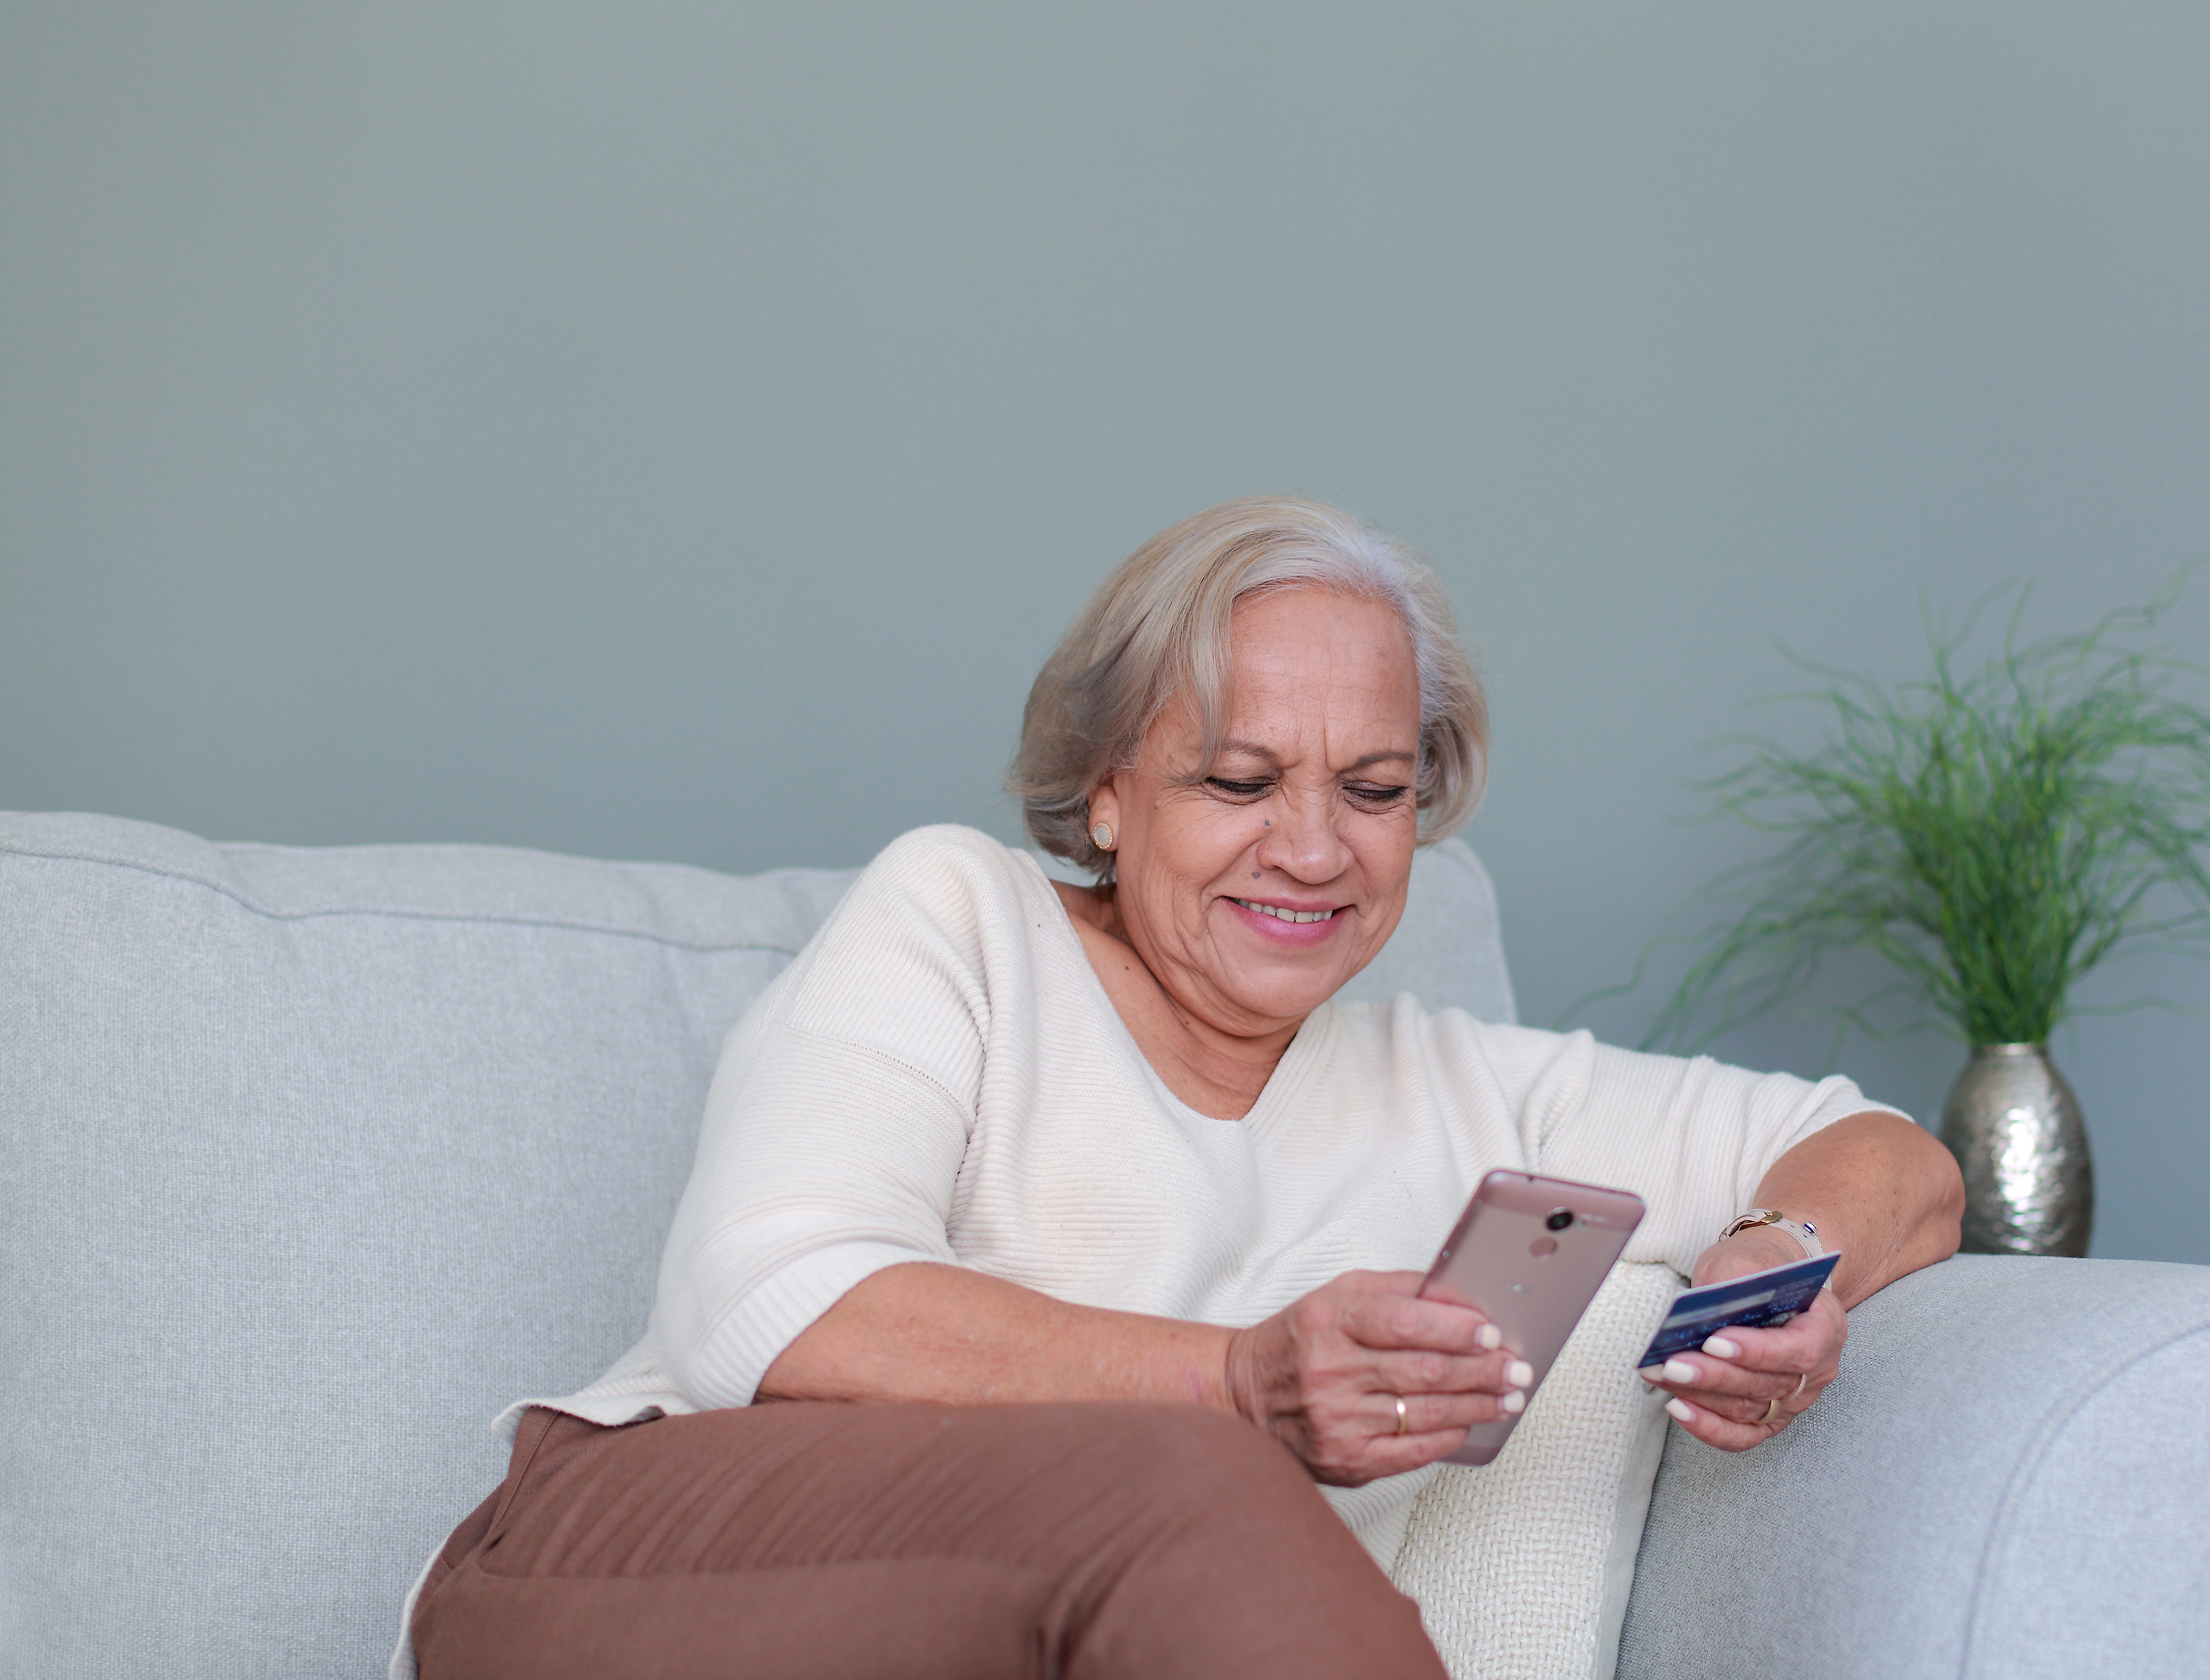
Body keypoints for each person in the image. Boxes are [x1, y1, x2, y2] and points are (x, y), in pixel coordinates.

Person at [400, 497, 1962, 1679]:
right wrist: (1238, 1381)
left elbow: (1887, 1152)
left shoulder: (1463, 1084)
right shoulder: (962, 920)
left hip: (1059, 1633)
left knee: (1191, 1507)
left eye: (1373, 790)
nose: (1311, 847)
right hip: (632, 1565)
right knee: (1188, 1473)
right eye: (1236, 779)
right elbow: (772, 1300)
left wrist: (1768, 1258)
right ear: (1106, 788)